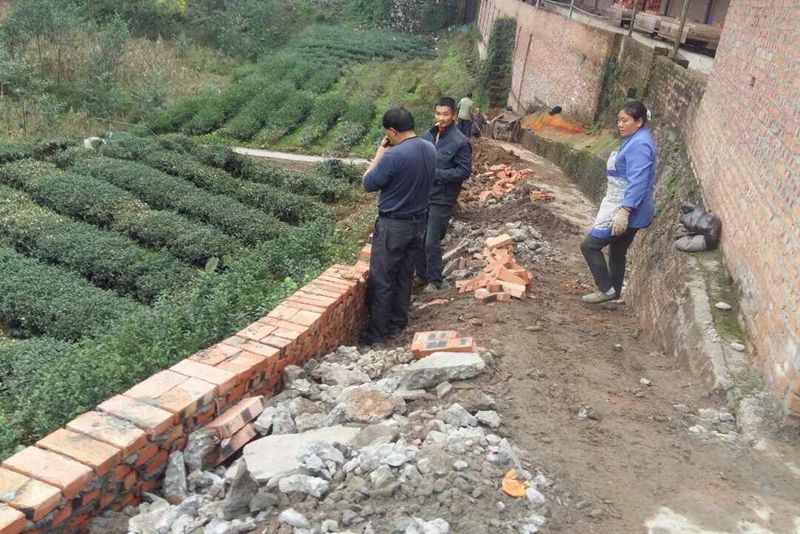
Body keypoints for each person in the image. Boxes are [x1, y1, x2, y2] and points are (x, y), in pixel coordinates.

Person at [361, 107, 437, 345]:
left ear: (392, 131)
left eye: (388, 134)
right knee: (405, 276)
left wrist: (379, 154)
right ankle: (397, 324)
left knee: (382, 279)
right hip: (419, 223)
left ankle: (377, 334)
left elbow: (367, 183)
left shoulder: (394, 156)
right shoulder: (430, 148)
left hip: (394, 226)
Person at [580, 100, 656, 303]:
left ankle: (606, 289)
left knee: (590, 246)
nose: (620, 124)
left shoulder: (640, 145)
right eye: (618, 120)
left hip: (628, 209)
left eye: (625, 120)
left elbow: (638, 181)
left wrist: (625, 211)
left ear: (639, 122)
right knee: (618, 250)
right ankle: (614, 296)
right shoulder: (635, 139)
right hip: (627, 206)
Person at [415, 97, 472, 291]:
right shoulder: (429, 136)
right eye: (438, 114)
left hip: (443, 197)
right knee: (418, 237)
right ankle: (422, 275)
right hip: (424, 195)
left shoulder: (460, 142)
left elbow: (464, 171)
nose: (441, 118)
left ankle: (435, 281)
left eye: (446, 114)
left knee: (431, 240)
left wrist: (437, 175)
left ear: (454, 115)